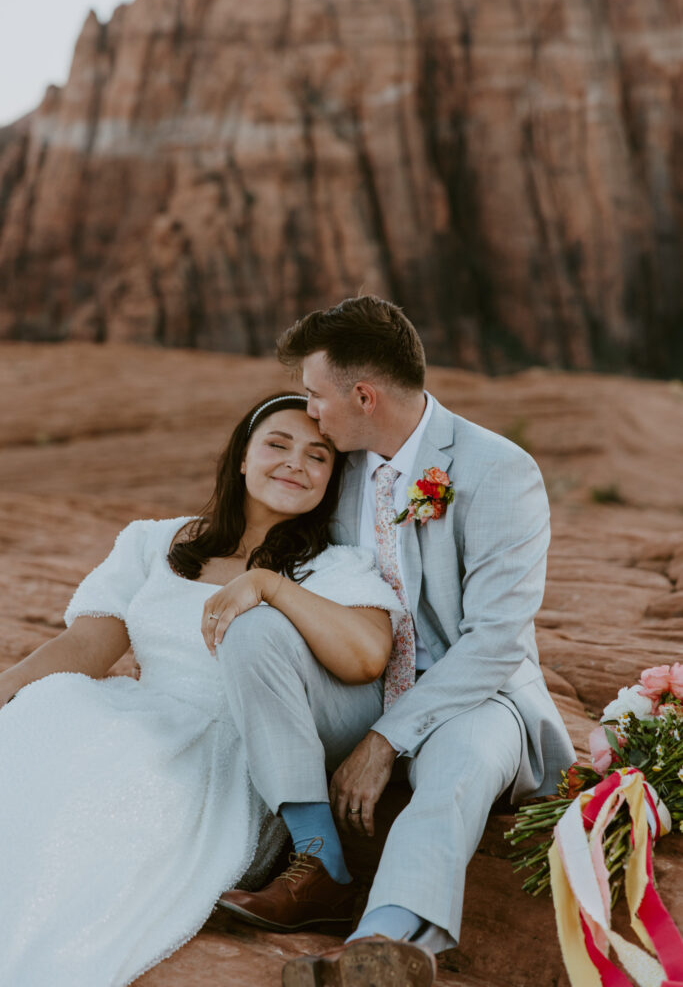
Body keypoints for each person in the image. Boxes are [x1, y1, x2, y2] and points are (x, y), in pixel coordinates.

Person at [217, 297, 577, 987]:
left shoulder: (498, 470)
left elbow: (495, 643)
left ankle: (380, 946)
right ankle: (319, 864)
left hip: (477, 697)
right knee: (256, 631)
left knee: (455, 765)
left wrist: (385, 744)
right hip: (361, 686)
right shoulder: (338, 466)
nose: (309, 411)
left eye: (316, 396)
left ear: (362, 394)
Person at [0, 393, 404, 987]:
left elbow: (368, 657)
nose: (296, 462)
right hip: (137, 712)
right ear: (241, 457)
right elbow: (87, 646)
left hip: (227, 749)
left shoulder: (337, 566)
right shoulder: (153, 541)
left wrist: (271, 586)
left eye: (317, 456)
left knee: (114, 801)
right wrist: (5, 689)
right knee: (46, 715)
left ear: (330, 480)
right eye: (277, 444)